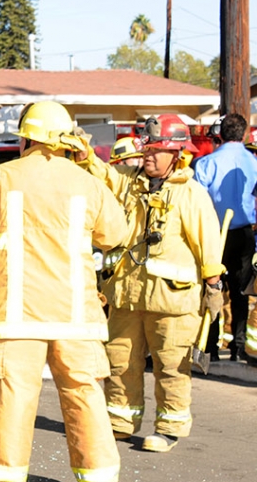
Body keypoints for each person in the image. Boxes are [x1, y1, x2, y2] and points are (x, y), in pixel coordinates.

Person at [0, 101, 128, 482]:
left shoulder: (2, 177)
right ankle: (98, 479)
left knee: (16, 392)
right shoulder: (88, 184)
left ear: (25, 137)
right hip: (75, 314)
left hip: (18, 314)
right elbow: (116, 233)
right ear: (67, 141)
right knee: (83, 392)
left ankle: (5, 479)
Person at [75, 114, 225, 453]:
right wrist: (85, 154)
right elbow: (104, 176)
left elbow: (208, 243)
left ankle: (169, 427)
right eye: (148, 148)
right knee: (119, 362)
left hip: (172, 302)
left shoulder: (191, 195)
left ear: (177, 154)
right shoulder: (130, 182)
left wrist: (214, 285)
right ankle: (120, 423)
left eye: (157, 151)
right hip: (128, 295)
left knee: (171, 366)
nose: (149, 156)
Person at [192, 112, 257, 362]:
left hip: (213, 233)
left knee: (213, 287)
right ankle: (238, 347)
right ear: (243, 133)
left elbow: (198, 202)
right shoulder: (253, 162)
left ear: (219, 134)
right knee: (242, 291)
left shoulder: (206, 164)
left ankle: (210, 347)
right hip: (245, 232)